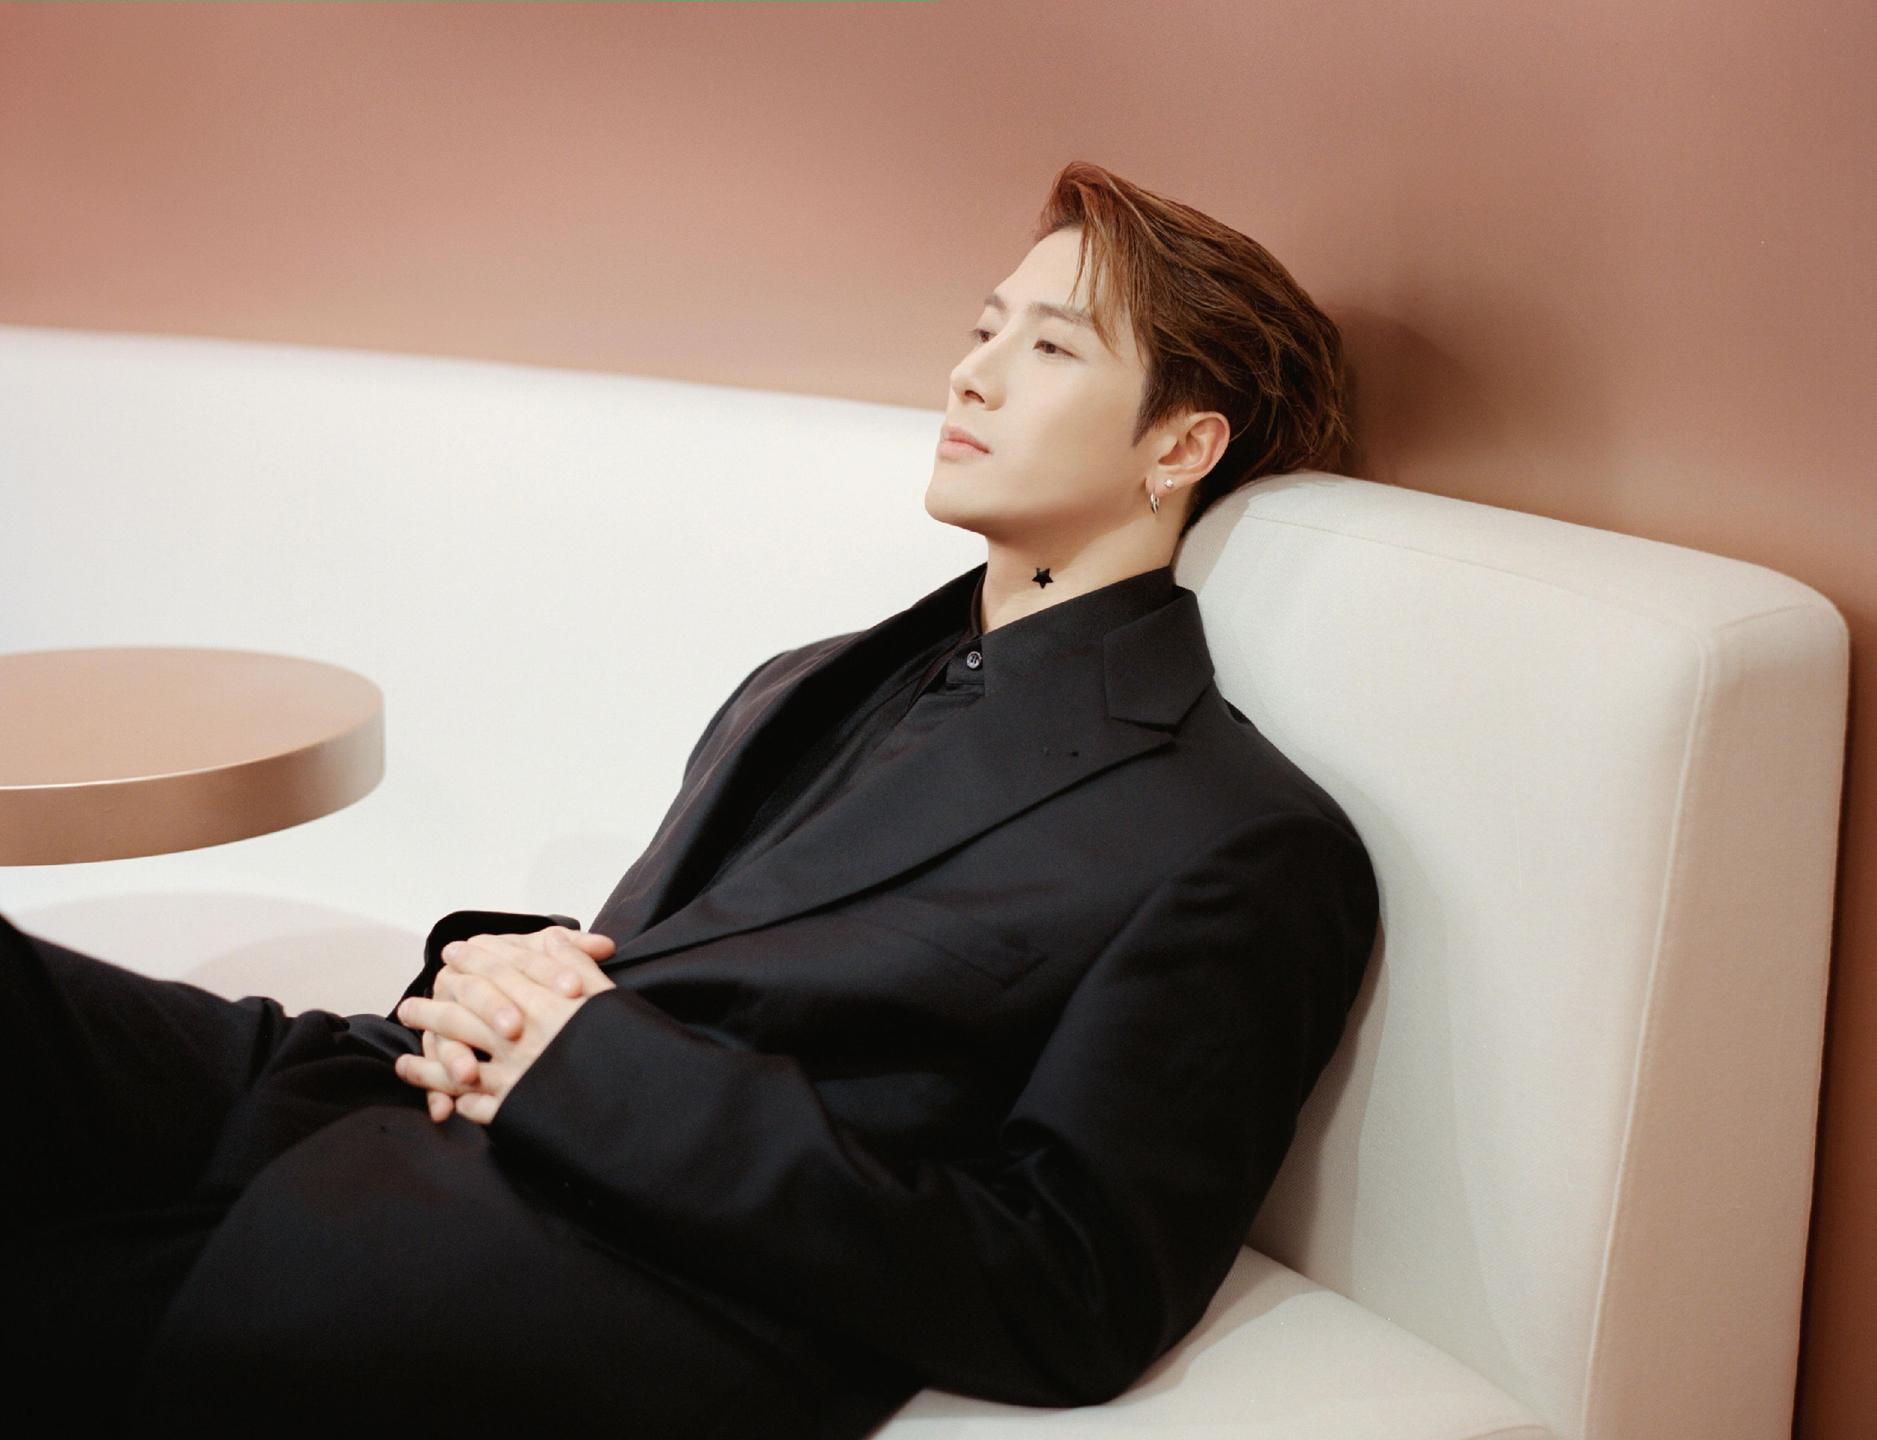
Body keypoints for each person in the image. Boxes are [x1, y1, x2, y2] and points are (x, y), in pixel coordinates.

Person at [2, 160, 1377, 1436]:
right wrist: (502, 978)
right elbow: (694, 962)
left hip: (575, 1251)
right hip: (386, 1096)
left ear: (1179, 447)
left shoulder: (1236, 840)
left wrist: (588, 1067)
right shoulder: (812, 677)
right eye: (983, 328)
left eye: (1052, 348)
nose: (971, 373)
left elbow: (1069, 1288)